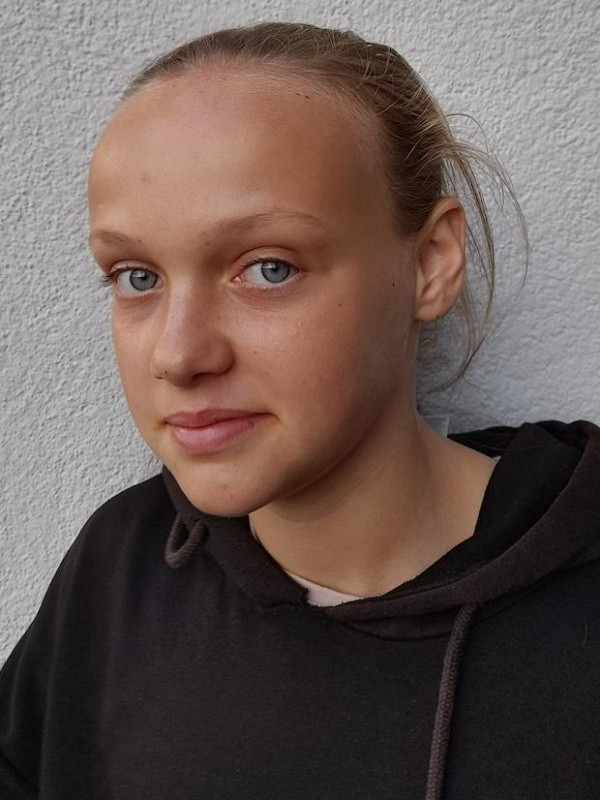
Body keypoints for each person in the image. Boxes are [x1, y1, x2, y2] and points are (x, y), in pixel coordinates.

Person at [1, 19, 599, 800]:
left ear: (430, 263)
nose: (177, 356)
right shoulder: (121, 568)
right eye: (137, 277)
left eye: (268, 268)